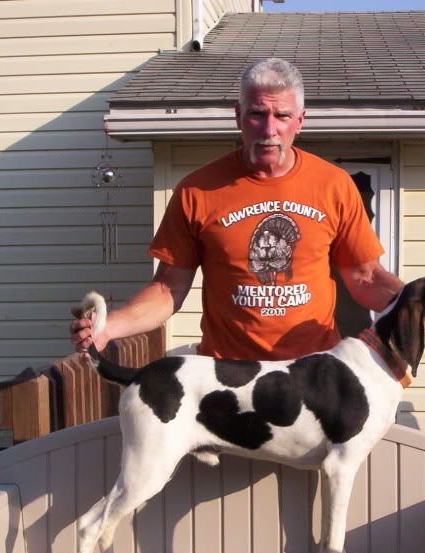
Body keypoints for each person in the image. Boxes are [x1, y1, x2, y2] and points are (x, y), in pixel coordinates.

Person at [70, 57, 404, 360]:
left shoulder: (333, 185)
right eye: (258, 114)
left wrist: (421, 302)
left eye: (282, 116)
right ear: (239, 116)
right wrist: (109, 327)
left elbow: (366, 278)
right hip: (228, 379)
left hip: (309, 378)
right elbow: (167, 288)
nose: (269, 129)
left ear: (300, 121)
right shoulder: (196, 191)